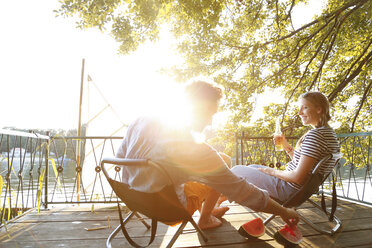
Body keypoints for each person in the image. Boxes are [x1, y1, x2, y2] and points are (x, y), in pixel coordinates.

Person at [116, 80, 299, 230]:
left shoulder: (141, 121)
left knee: (223, 160)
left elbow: (120, 156)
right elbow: (242, 190)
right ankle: (205, 219)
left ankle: (209, 211)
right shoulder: (196, 150)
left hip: (133, 197)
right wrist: (284, 212)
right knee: (220, 169)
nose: (211, 121)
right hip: (169, 209)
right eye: (210, 113)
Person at [227, 91, 340, 204]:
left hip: (288, 190)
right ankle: (219, 203)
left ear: (319, 109)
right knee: (251, 167)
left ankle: (215, 206)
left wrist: (271, 171)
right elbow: (305, 166)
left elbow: (298, 177)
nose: (300, 113)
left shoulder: (316, 136)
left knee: (236, 170)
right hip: (299, 190)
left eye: (305, 108)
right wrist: (287, 147)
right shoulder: (330, 134)